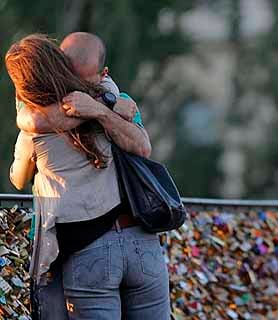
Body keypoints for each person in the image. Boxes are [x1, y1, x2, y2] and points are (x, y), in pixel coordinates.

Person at [7, 34, 170, 319]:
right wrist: (105, 106)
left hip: (87, 249)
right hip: (142, 240)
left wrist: (96, 108)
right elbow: (142, 146)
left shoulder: (36, 126)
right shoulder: (118, 100)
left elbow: (18, 178)